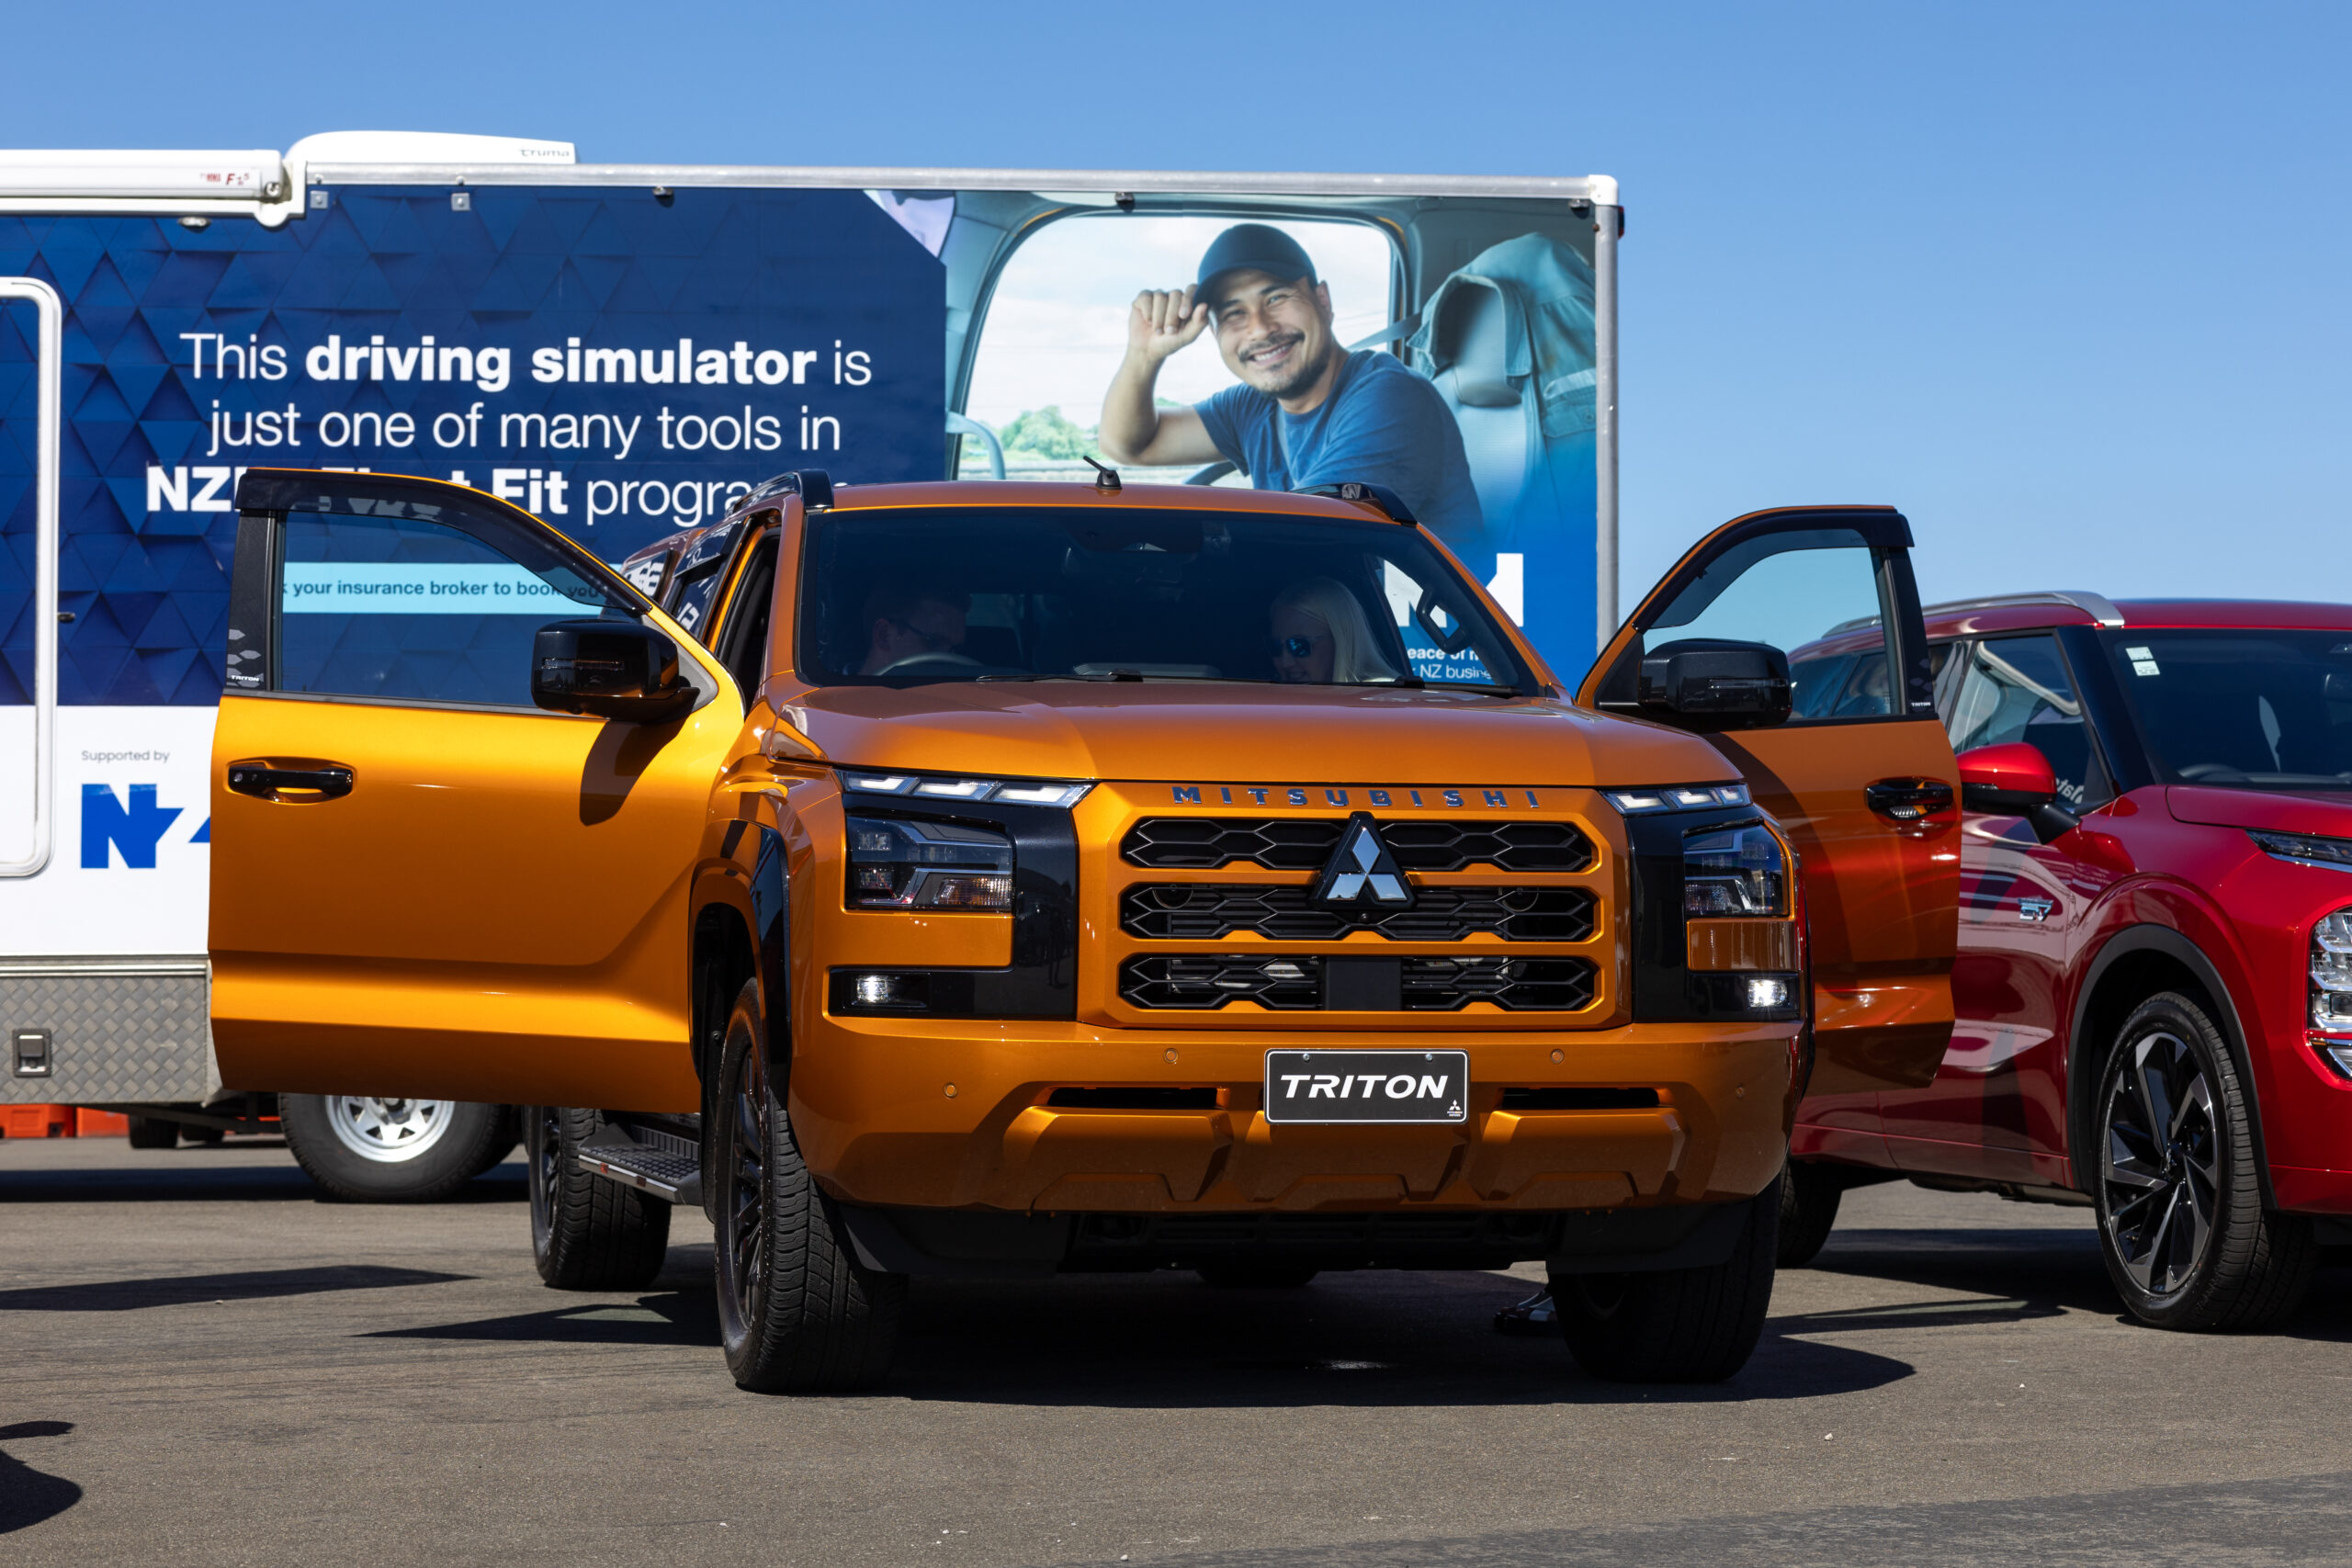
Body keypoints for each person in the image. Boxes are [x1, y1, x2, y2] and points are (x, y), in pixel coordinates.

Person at [1098, 224, 1483, 543]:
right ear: (1214, 335)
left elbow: (1301, 539)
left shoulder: (1393, 398)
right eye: (1234, 314)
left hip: (1418, 631)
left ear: (1323, 301)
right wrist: (1144, 354)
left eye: (1276, 297)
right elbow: (1130, 445)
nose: (1261, 328)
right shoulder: (1251, 407)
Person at [1270, 578, 1398, 685]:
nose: (1285, 662)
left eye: (1299, 645)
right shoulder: (1266, 705)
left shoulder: (1385, 704)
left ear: (1341, 641)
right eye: (1275, 646)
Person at [858, 582, 967, 675]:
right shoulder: (842, 698)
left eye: (955, 651)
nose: (949, 661)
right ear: (884, 635)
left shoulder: (962, 697)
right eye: (933, 642)